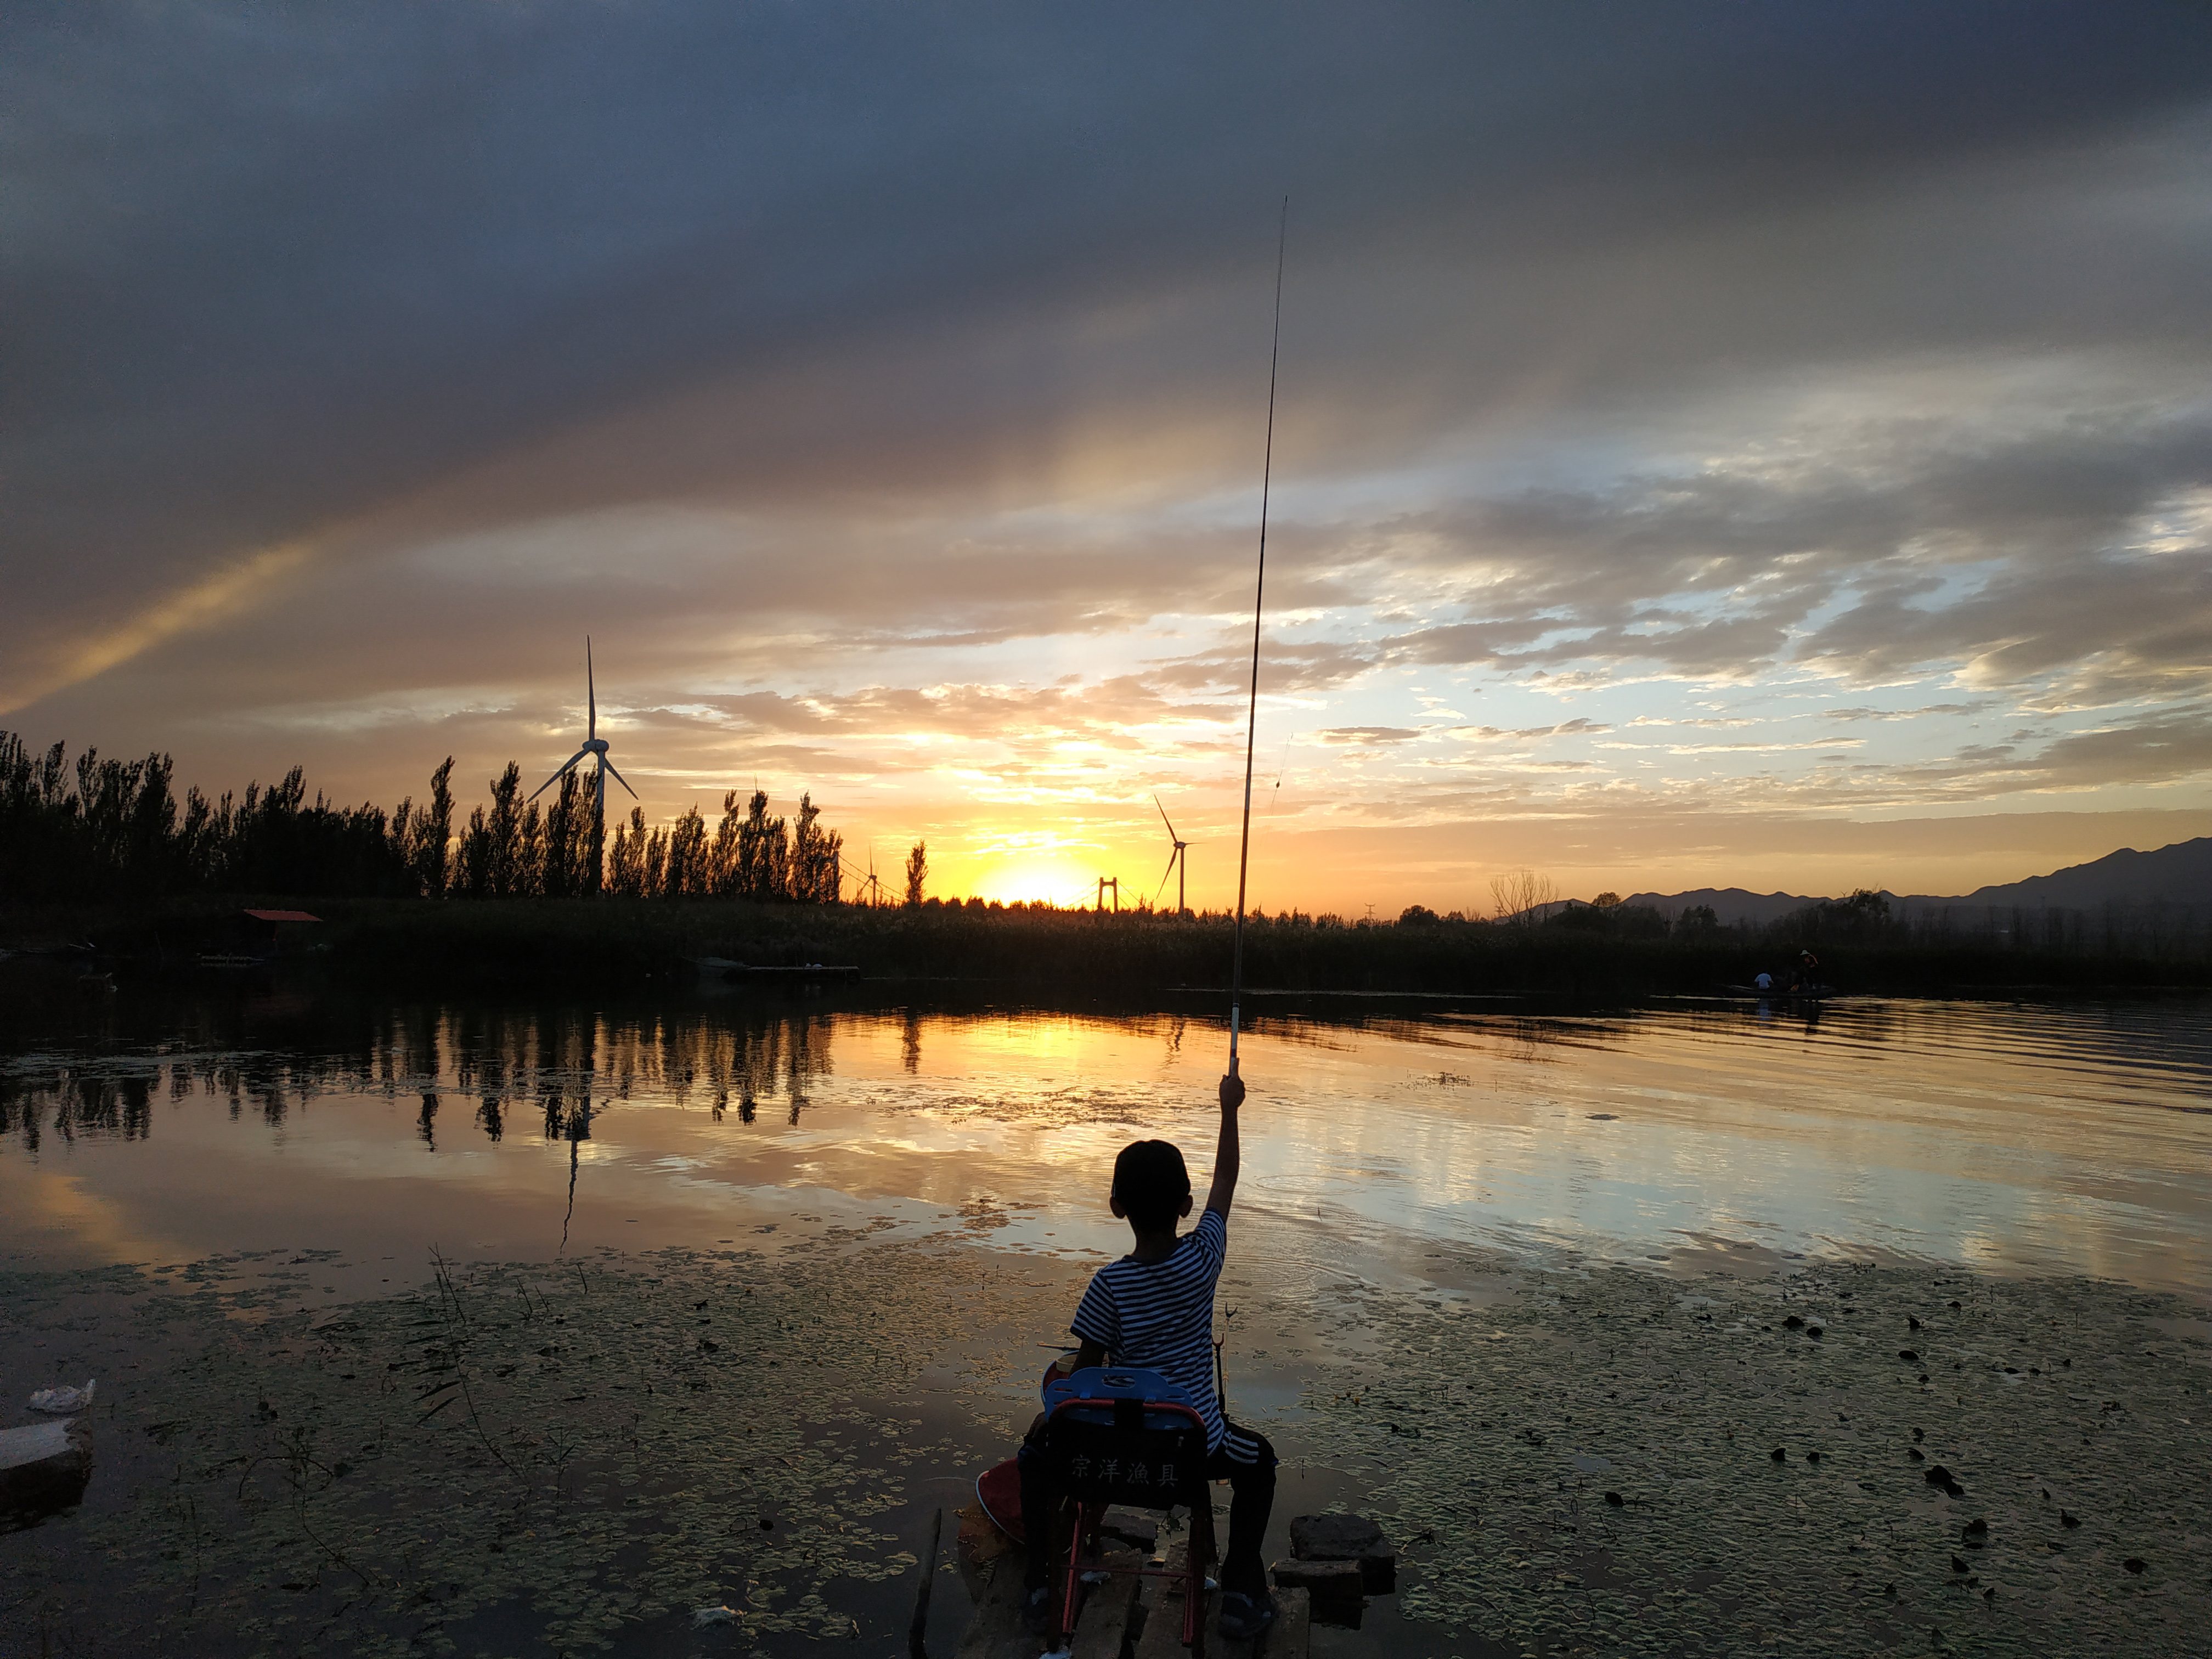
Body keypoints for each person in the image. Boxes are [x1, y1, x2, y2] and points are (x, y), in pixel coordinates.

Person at [1019, 1069, 1277, 1640]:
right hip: (1191, 1452)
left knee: (1035, 1455)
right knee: (1259, 1463)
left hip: (1110, 1451)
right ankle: (1239, 1589)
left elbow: (1084, 1378)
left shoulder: (1108, 1287)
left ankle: (1039, 1587)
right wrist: (1228, 1109)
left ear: (1116, 1207)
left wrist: (1051, 1415)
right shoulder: (1203, 1258)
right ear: (1186, 1205)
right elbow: (1227, 1180)